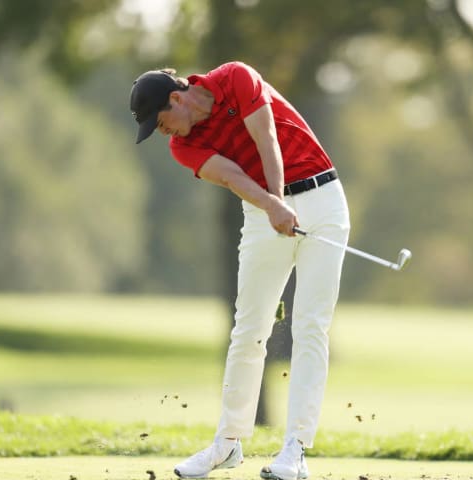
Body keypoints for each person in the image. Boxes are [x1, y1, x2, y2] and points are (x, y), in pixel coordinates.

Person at [130, 61, 350, 480]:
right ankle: (227, 444)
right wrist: (273, 206)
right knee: (249, 329)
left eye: (159, 123)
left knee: (310, 326)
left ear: (176, 99)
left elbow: (266, 137)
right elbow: (232, 176)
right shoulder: (183, 147)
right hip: (263, 211)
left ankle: (295, 450)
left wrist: (280, 199)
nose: (163, 134)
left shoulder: (234, 77)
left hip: (323, 200)